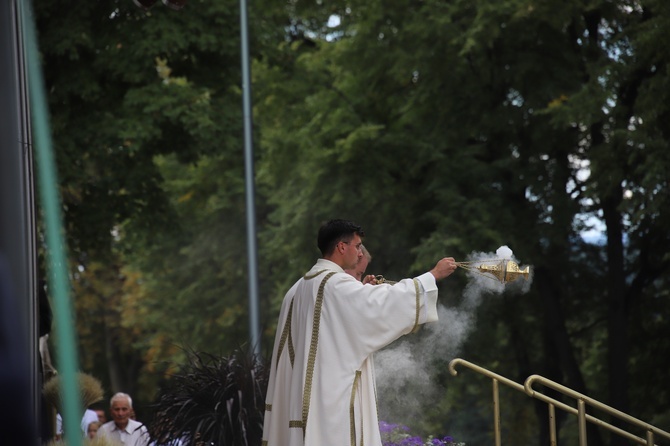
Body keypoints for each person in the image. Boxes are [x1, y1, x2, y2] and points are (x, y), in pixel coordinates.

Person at [262, 219, 457, 446]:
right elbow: (381, 305)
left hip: (300, 400)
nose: (360, 253)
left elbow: (343, 322)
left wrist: (363, 292)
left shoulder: (296, 290)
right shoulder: (334, 284)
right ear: (341, 247)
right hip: (331, 403)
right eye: (357, 246)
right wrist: (432, 276)